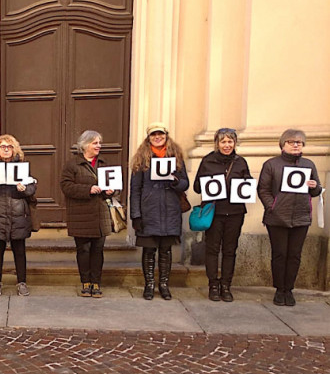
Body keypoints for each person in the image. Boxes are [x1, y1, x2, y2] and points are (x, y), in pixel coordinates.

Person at [258, 129, 322, 307]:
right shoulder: (271, 164)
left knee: (294, 255)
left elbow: (316, 190)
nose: (295, 145)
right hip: (277, 218)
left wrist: (315, 186)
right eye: (291, 142)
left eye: (299, 143)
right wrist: (273, 206)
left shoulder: (309, 164)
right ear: (283, 144)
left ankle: (289, 289)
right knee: (280, 254)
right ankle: (279, 289)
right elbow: (263, 189)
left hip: (301, 217)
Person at [129, 122, 189, 300]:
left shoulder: (176, 157)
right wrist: (136, 215)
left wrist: (176, 181)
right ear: (149, 138)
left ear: (166, 136)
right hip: (149, 211)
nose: (157, 137)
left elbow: (185, 183)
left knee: (165, 250)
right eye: (154, 134)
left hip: (170, 211)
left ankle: (164, 285)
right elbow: (135, 189)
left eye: (160, 134)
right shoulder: (141, 159)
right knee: (148, 250)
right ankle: (149, 285)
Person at [193, 128, 251, 302]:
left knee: (230, 250)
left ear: (235, 143)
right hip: (214, 212)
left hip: (235, 212)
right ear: (217, 143)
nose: (227, 145)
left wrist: (246, 185)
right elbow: (197, 186)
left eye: (230, 141)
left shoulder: (241, 162)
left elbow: (246, 184)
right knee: (212, 249)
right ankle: (213, 284)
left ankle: (226, 285)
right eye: (223, 142)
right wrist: (209, 185)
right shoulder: (208, 161)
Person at [0, 134, 36, 297]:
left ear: (14, 149)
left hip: (18, 214)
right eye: (3, 147)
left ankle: (22, 282)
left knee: (20, 250)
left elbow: (32, 189)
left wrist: (24, 189)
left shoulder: (22, 168)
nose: (6, 150)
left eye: (9, 147)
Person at [60, 131, 115, 298]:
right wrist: (88, 189)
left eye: (99, 142)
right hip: (80, 215)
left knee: (98, 250)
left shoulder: (104, 164)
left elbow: (115, 184)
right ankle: (85, 282)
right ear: (84, 145)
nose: (98, 145)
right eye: (95, 143)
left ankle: (96, 282)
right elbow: (66, 187)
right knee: (83, 250)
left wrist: (111, 191)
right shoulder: (72, 165)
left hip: (100, 215)